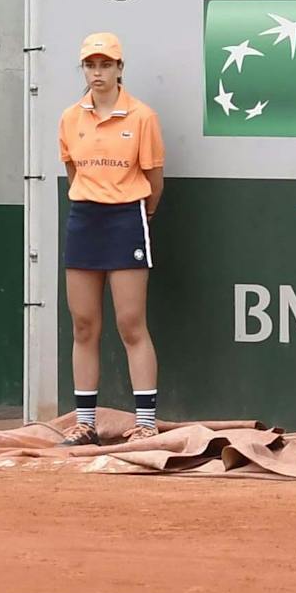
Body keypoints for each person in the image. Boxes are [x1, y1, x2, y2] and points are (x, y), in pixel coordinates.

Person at [55, 32, 167, 443]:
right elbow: (74, 174)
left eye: (105, 65)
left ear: (120, 69)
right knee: (84, 325)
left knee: (130, 323)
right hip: (84, 219)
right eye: (90, 65)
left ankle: (146, 424)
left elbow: (154, 180)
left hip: (127, 219)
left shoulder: (142, 117)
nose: (97, 73)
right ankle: (85, 423)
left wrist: (138, 212)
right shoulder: (69, 117)